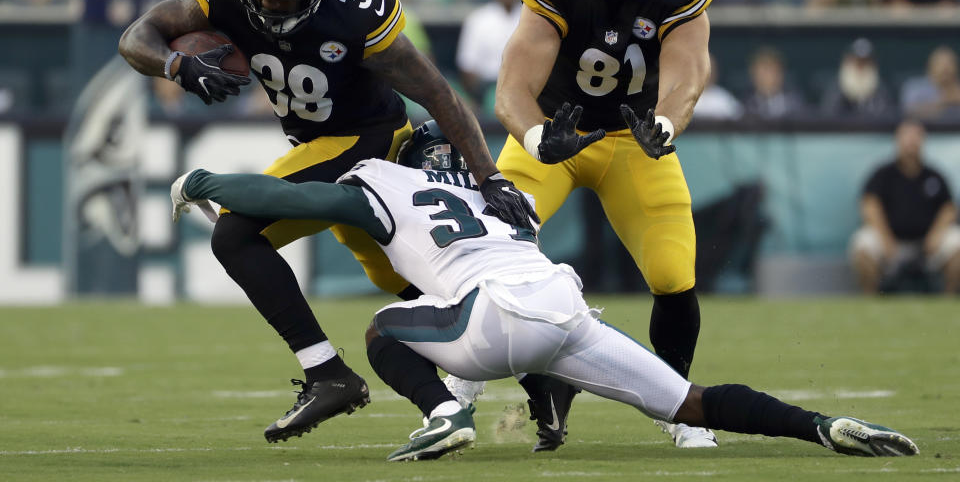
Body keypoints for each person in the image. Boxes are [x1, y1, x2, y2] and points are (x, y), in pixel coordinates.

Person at [170, 121, 919, 463]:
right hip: (565, 307)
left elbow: (289, 201)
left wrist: (205, 183)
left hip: (490, 319)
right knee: (691, 400)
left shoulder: (378, 179)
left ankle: (441, 415)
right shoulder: (502, 194)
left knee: (382, 330)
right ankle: (824, 426)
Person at [118, 0, 537, 444]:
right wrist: (177, 65)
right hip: (314, 143)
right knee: (408, 283)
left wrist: (488, 176)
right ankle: (531, 373)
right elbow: (138, 35)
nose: (267, 3)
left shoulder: (356, 11)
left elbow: (437, 92)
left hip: (369, 141)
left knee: (236, 231)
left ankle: (327, 373)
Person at [493, 0, 718, 449]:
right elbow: (512, 88)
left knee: (673, 274)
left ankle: (677, 405)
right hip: (554, 136)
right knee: (492, 251)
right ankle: (457, 398)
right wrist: (540, 139)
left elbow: (688, 77)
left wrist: (665, 124)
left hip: (633, 138)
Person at [850, 119, 960, 294]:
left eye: (916, 136)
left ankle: (948, 300)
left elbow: (948, 209)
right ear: (897, 140)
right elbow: (869, 206)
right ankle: (870, 299)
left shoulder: (934, 176)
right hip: (892, 242)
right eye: (906, 136)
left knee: (956, 241)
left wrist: (936, 235)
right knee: (862, 244)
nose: (911, 141)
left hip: (927, 244)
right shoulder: (883, 174)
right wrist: (886, 240)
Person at [819, 37, 895, 120]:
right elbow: (828, 114)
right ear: (848, 60)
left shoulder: (880, 87)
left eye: (865, 62)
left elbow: (885, 115)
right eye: (857, 62)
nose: (861, 66)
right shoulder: (837, 86)